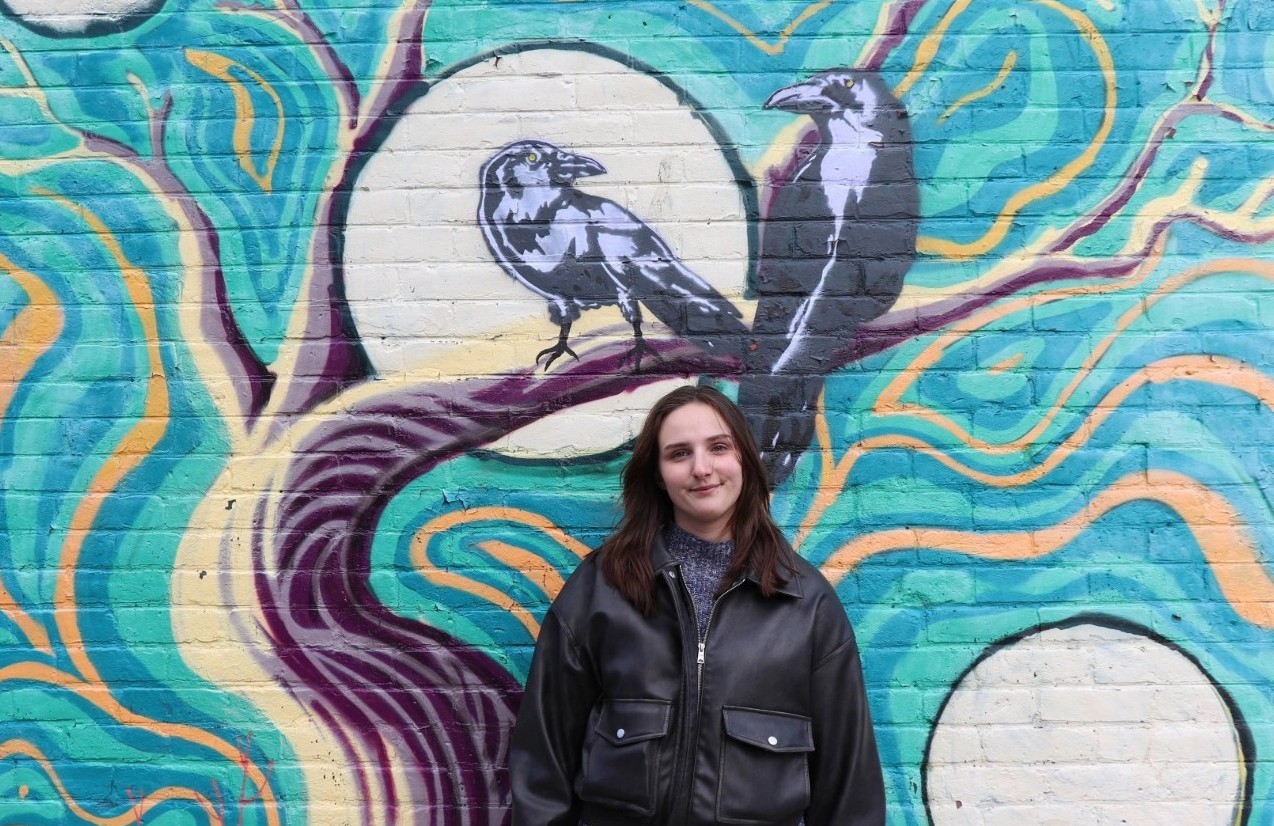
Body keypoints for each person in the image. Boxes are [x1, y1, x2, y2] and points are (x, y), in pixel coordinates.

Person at [509, 385, 885, 825]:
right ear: (658, 474)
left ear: (743, 458)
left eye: (718, 448)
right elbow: (543, 765)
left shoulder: (807, 606)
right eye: (679, 454)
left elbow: (849, 793)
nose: (702, 469)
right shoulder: (600, 590)